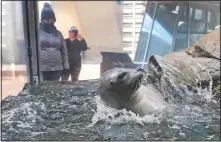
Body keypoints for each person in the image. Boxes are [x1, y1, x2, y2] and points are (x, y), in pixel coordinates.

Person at [39, 3, 69, 81]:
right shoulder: (37, 33)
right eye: (47, 20)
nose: (50, 22)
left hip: (57, 69)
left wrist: (66, 67)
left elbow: (64, 51)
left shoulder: (58, 34)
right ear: (42, 20)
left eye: (52, 20)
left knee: (55, 90)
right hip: (42, 70)